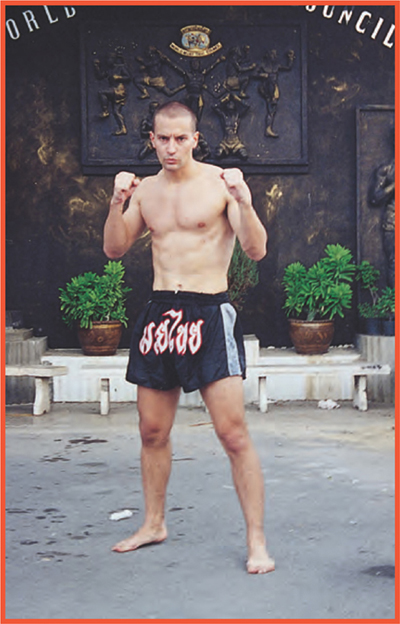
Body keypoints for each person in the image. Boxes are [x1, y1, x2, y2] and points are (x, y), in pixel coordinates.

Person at [103, 100, 274, 574]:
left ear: (195, 139)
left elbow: (256, 250)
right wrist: (117, 201)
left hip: (208, 309)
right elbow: (115, 248)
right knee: (152, 430)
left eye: (181, 138)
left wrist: (244, 200)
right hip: (161, 313)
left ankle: (256, 541)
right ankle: (154, 523)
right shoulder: (146, 192)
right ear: (151, 139)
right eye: (163, 138)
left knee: (232, 433)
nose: (172, 147)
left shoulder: (219, 185)